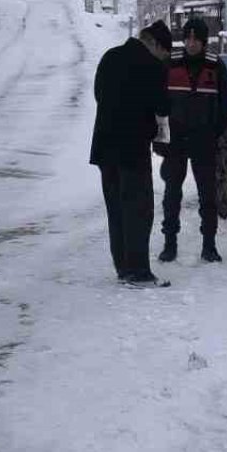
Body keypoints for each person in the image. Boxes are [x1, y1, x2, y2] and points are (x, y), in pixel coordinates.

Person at [89, 21, 173, 288]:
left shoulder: (109, 57)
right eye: (165, 53)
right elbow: (162, 105)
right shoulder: (152, 67)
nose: (164, 59)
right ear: (156, 45)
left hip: (104, 147)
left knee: (116, 209)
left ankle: (123, 267)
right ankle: (138, 271)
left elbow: (98, 94)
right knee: (138, 209)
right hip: (133, 148)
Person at [155, 18, 227, 264]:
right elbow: (157, 104)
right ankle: (170, 243)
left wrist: (215, 133)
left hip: (204, 141)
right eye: (187, 38)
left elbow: (226, 105)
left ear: (203, 41)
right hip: (175, 141)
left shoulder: (215, 66)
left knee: (207, 195)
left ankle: (209, 245)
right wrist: (160, 138)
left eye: (195, 39)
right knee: (172, 194)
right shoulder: (170, 64)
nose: (191, 43)